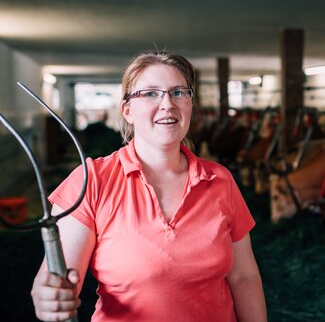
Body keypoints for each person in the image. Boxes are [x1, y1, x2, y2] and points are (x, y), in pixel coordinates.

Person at [31, 51, 267, 322]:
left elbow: (244, 276)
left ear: (190, 104)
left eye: (178, 92)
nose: (167, 103)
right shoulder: (91, 181)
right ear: (128, 111)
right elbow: (56, 278)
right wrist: (48, 296)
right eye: (151, 94)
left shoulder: (220, 180)